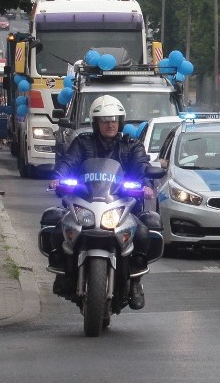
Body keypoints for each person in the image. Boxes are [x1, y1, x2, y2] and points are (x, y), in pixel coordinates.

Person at [50, 95, 154, 309]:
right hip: (85, 200)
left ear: (120, 121)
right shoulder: (82, 142)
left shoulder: (131, 145)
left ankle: (135, 282)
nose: (110, 123)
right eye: (105, 119)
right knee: (56, 227)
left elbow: (142, 165)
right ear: (96, 122)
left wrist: (144, 183)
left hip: (119, 203)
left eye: (114, 119)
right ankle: (63, 275)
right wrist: (59, 177)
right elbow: (69, 162)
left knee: (144, 233)